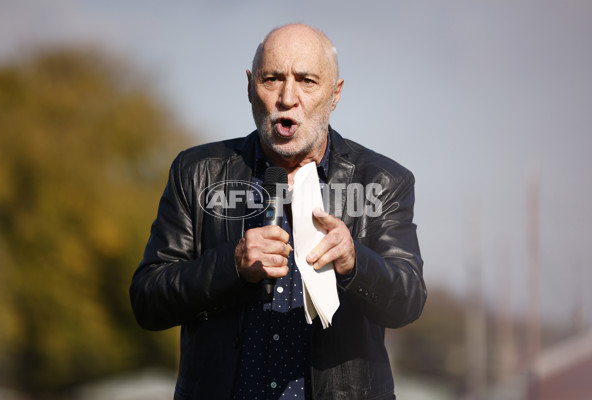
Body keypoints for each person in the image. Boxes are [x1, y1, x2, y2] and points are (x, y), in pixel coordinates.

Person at [130, 23, 426, 400]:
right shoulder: (196, 172)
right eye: (272, 79)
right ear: (250, 87)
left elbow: (408, 300)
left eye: (307, 81)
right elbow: (147, 300)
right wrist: (231, 265)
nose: (288, 97)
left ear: (335, 94)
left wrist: (355, 262)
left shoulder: (384, 180)